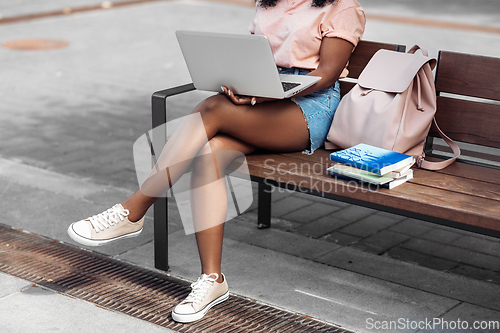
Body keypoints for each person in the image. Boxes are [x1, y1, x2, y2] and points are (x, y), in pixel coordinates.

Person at [67, 0, 365, 323]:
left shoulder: (343, 7)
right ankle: (213, 280)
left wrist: (264, 95)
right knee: (210, 152)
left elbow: (325, 75)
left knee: (212, 109)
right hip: (263, 100)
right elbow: (254, 58)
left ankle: (134, 209)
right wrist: (240, 82)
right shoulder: (270, 2)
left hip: (307, 109)